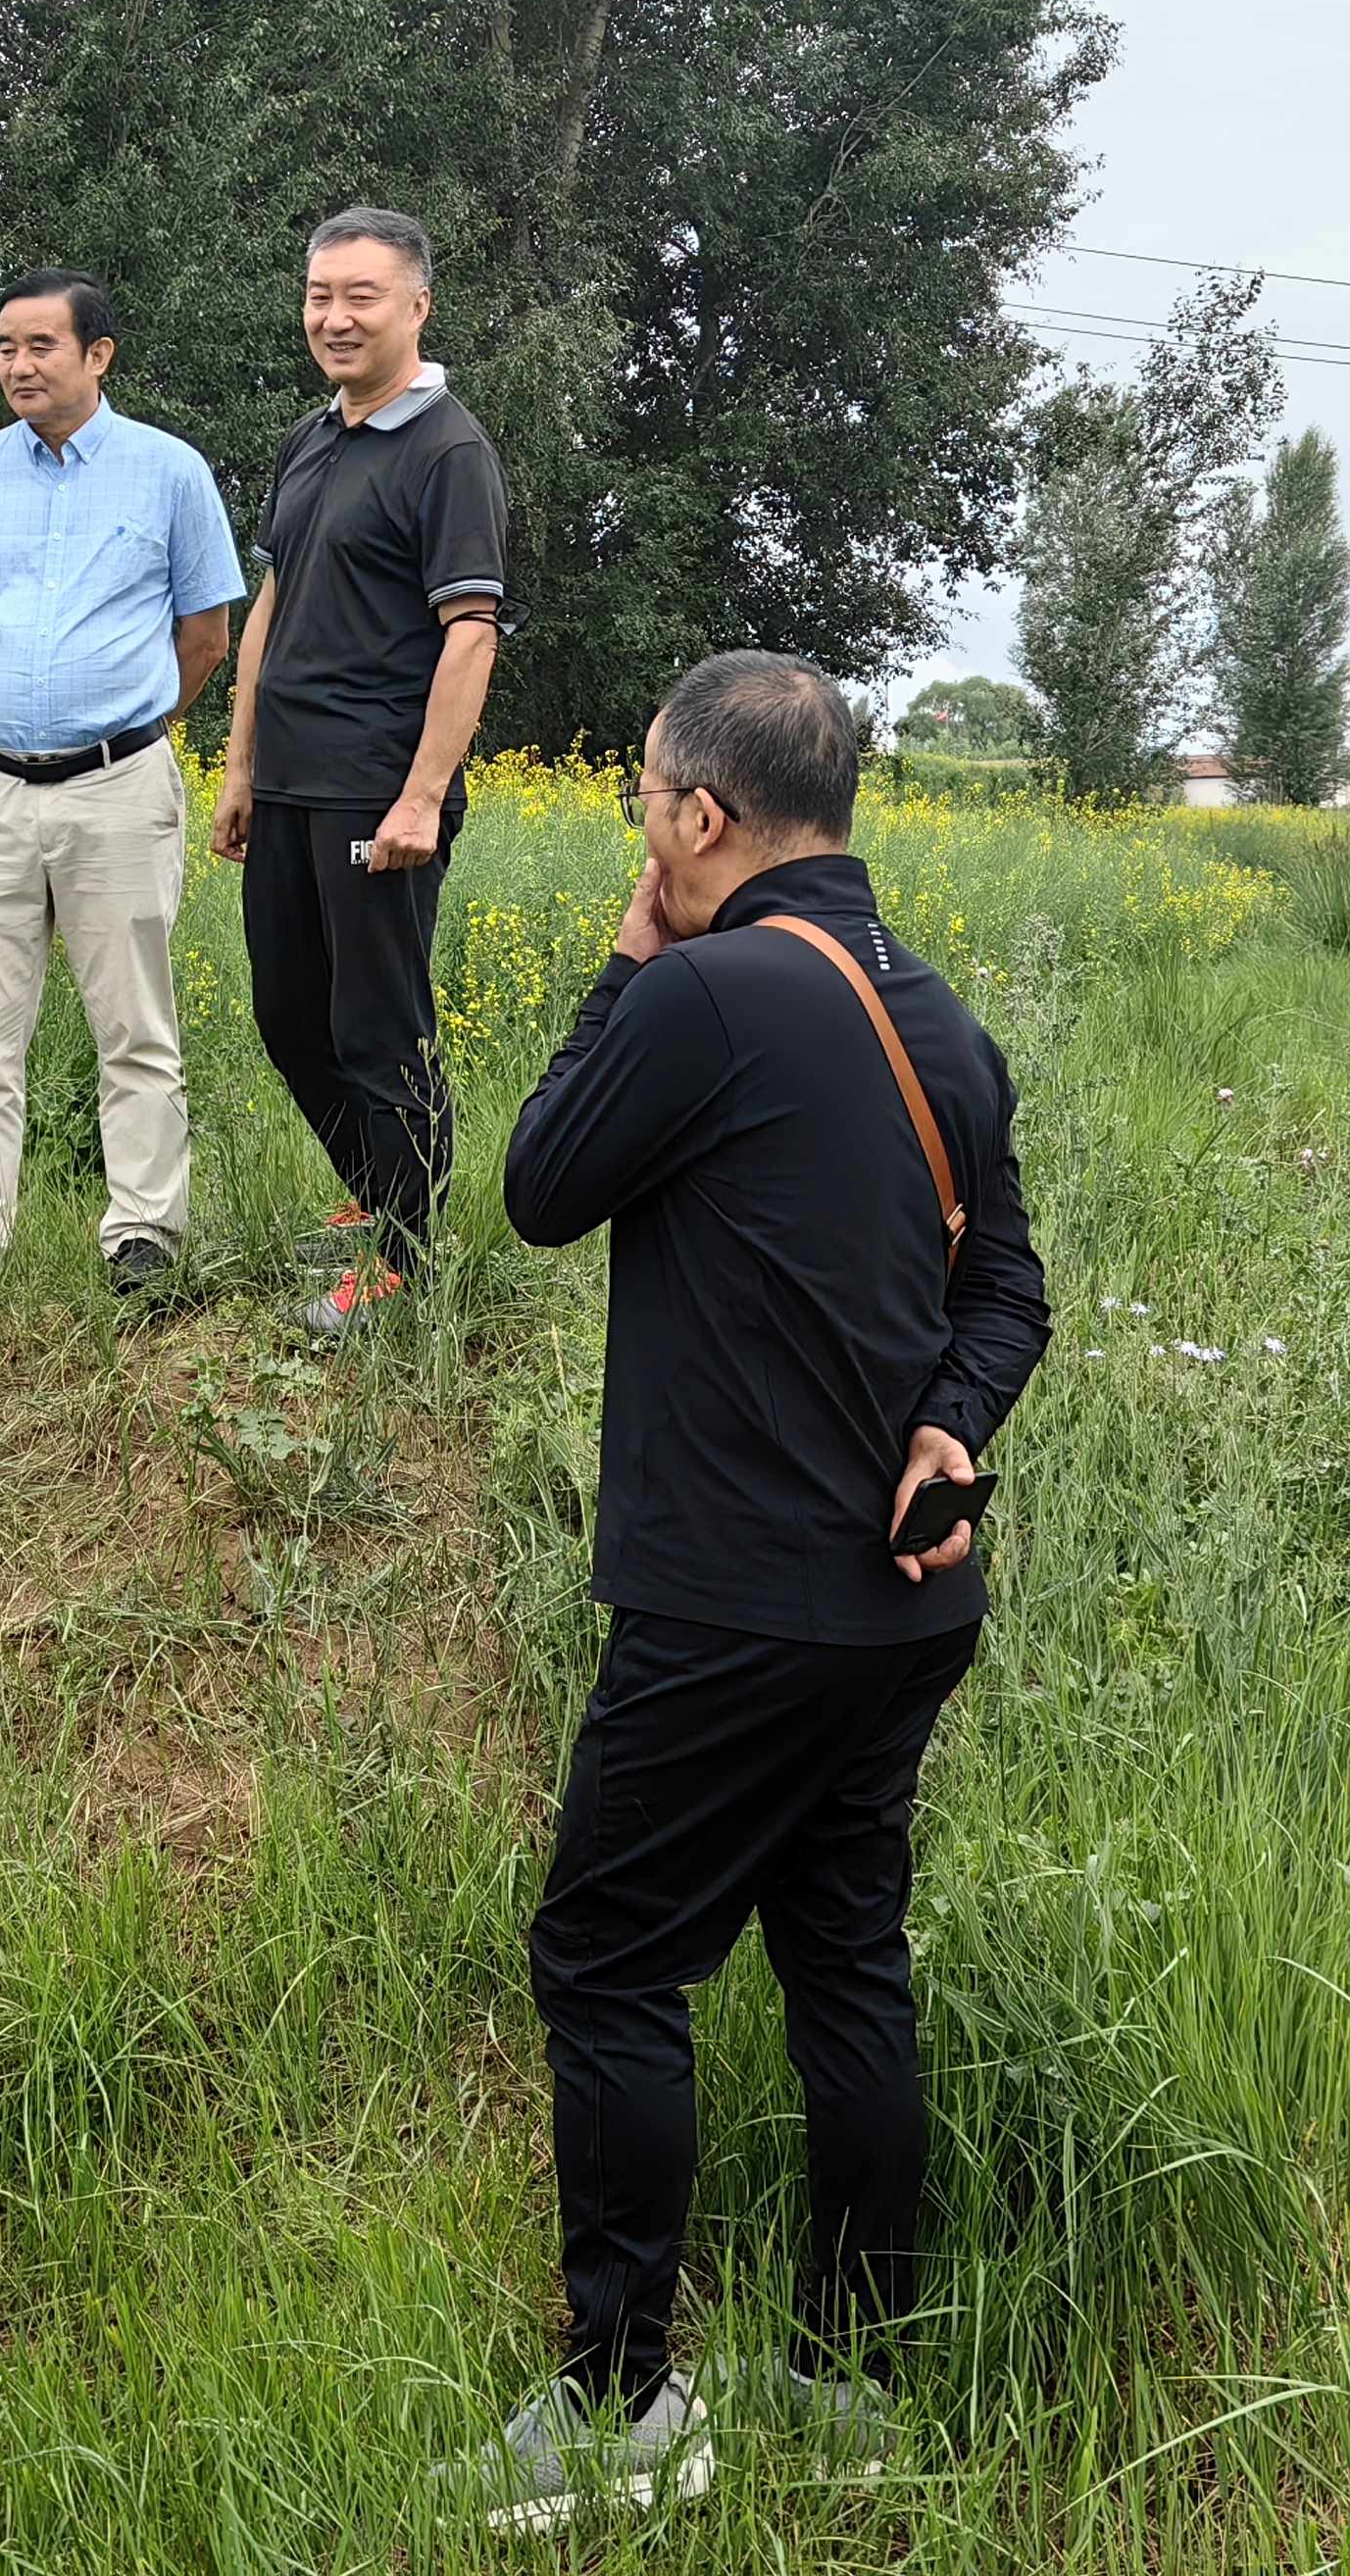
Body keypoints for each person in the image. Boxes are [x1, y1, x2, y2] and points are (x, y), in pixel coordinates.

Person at [457, 652, 1054, 2533]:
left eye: (647, 800)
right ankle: (852, 2370)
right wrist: (952, 1429)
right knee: (842, 1958)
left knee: (611, 1959)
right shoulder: (933, 1012)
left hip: (732, 1607)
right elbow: (1009, 1285)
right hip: (900, 1603)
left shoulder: (706, 993)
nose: (642, 829)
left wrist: (629, 955)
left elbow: (538, 1184)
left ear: (700, 816)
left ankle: (625, 2407)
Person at [0, 271, 245, 1314]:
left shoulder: (169, 472)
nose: (19, 365)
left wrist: (129, 726)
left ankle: (142, 1235)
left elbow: (208, 634)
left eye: (42, 345)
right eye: (5, 346)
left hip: (119, 785)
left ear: (98, 355)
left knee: (134, 1025)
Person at [209, 206, 515, 1338]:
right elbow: (274, 603)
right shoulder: (312, 438)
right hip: (287, 779)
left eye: (361, 297)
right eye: (319, 296)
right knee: (289, 1015)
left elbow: (470, 634)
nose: (334, 318)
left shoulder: (450, 453)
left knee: (377, 1025)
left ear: (416, 307)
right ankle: (382, 1194)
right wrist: (239, 764)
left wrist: (425, 795)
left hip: (377, 787)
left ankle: (407, 1260)